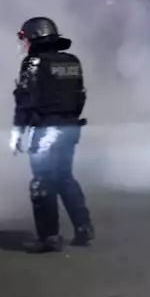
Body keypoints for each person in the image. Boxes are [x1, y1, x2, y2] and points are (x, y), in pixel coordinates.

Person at [12, 16, 94, 253]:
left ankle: (49, 237)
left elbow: (25, 100)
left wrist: (19, 130)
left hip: (46, 130)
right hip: (70, 127)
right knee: (64, 177)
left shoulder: (33, 62)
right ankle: (83, 228)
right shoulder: (72, 61)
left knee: (42, 181)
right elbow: (80, 96)